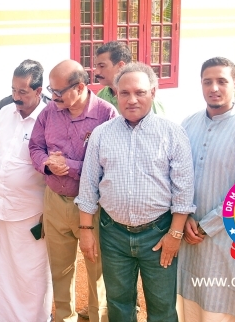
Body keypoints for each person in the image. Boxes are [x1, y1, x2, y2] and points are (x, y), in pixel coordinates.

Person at [76, 63, 195, 322]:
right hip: (112, 233)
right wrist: (85, 231)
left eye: (140, 92)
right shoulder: (101, 134)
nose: (132, 100)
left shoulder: (172, 133)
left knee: (162, 309)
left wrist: (175, 234)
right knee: (118, 306)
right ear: (116, 94)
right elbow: (88, 186)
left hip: (159, 233)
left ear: (152, 92)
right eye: (124, 93)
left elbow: (184, 190)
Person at [178, 57, 235, 321]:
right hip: (186, 235)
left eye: (222, 81)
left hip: (224, 239)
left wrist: (205, 226)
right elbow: (176, 175)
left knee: (217, 309)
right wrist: (183, 217)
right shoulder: (188, 124)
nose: (214, 88)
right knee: (186, 307)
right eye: (208, 82)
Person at [29, 59, 116, 322]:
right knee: (60, 269)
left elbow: (111, 162)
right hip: (55, 201)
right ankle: (64, 317)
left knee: (97, 269)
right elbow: (35, 146)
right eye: (51, 90)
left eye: (58, 91)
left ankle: (97, 316)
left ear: (79, 87)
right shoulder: (49, 112)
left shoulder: (106, 114)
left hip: (93, 205)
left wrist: (71, 167)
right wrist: (47, 164)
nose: (52, 97)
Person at [0, 60, 52, 322]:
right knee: (3, 268)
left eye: (22, 91)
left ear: (38, 91)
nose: (16, 97)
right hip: (2, 207)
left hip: (33, 212)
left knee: (32, 272)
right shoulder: (5, 112)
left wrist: (50, 211)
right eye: (13, 90)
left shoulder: (50, 117)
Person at [94, 42, 165, 115]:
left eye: (102, 66)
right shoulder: (101, 95)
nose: (96, 72)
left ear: (121, 66)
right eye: (96, 66)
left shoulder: (149, 99)